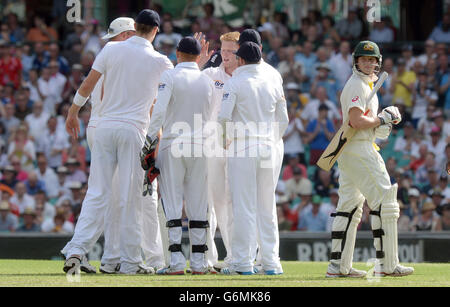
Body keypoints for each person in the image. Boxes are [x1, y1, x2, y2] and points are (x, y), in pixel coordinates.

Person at [62, 9, 173, 275]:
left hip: (102, 129)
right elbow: (167, 102)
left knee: (97, 192)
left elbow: (87, 85)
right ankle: (131, 262)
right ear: (155, 30)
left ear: (135, 26)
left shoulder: (111, 50)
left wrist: (72, 112)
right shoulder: (161, 61)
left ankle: (77, 250)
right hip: (134, 130)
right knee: (130, 197)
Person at [326, 40, 413, 278]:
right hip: (359, 149)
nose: (369, 63)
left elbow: (365, 122)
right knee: (386, 200)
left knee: (349, 207)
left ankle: (338, 267)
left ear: (378, 62)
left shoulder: (365, 84)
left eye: (372, 60)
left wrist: (382, 124)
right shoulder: (357, 86)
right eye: (364, 59)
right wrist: (382, 119)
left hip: (353, 149)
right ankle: (388, 264)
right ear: (356, 62)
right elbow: (356, 122)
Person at [142, 37, 213, 275]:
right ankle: (200, 262)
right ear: (197, 56)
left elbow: (159, 110)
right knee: (198, 203)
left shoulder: (171, 76)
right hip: (201, 145)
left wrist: (150, 140)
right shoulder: (207, 80)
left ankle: (175, 262)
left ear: (178, 54)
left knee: (172, 203)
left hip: (174, 143)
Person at [217, 41, 289, 275]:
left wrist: (225, 143)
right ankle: (271, 263)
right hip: (268, 147)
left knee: (244, 207)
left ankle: (243, 263)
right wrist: (272, 140)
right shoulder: (273, 81)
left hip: (243, 148)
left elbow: (224, 118)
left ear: (241, 59)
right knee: (266, 207)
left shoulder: (235, 82)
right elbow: (284, 120)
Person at [200, 31, 240, 272]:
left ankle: (237, 255)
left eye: (230, 51)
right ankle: (207, 260)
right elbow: (181, 84)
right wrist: (198, 65)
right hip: (212, 144)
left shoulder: (247, 77)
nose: (225, 55)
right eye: (223, 50)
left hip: (239, 145)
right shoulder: (210, 74)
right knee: (209, 202)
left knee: (234, 202)